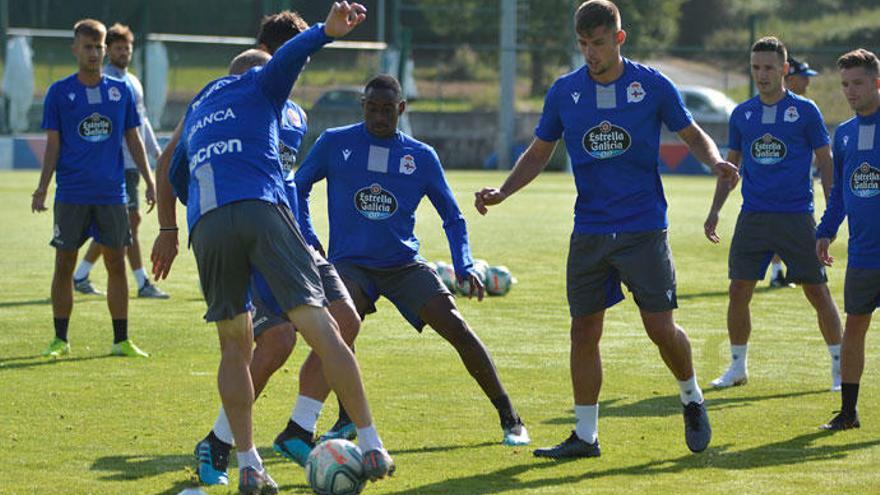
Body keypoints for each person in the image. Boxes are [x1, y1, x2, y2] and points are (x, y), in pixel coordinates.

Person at [475, 0, 737, 458]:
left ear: (619, 38)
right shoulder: (564, 92)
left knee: (660, 329)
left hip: (643, 228)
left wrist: (714, 160)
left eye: (598, 43)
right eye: (582, 44)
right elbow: (539, 152)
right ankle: (586, 435)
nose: (590, 53)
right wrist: (503, 191)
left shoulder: (651, 85)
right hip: (590, 230)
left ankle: (691, 397)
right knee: (584, 331)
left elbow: (692, 133)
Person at [150, 4, 394, 493]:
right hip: (262, 214)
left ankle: (256, 457)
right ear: (268, 63)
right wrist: (328, 31)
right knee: (309, 330)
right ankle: (369, 442)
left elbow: (175, 172)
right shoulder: (262, 83)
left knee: (250, 343)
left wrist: (174, 229)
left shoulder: (201, 106)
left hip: (217, 226)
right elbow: (291, 56)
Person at [293, 73, 531, 454]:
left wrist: (464, 264)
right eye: (372, 108)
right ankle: (345, 420)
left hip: (403, 264)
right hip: (350, 263)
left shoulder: (420, 157)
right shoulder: (335, 143)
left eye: (388, 109)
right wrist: (307, 236)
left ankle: (510, 417)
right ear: (363, 106)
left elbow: (453, 216)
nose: (380, 116)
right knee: (340, 329)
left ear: (401, 109)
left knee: (457, 327)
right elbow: (297, 185)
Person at [704, 37, 843, 391]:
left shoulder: (806, 111)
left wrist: (831, 209)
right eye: (755, 68)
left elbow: (825, 161)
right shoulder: (742, 114)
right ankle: (737, 367)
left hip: (797, 217)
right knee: (738, 290)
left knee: (817, 292)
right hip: (753, 217)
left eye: (768, 68)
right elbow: (730, 168)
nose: (761, 75)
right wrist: (715, 210)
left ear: (783, 70)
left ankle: (841, 368)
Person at [32, 18, 155, 359]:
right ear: (75, 49)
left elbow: (134, 138)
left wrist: (149, 179)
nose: (94, 53)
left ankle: (121, 340)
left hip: (111, 194)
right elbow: (53, 145)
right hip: (71, 193)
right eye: (88, 46)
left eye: (99, 47)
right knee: (64, 265)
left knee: (116, 265)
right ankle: (60, 339)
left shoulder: (122, 91)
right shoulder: (59, 92)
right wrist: (42, 187)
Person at [71, 23, 168, 299]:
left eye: (127, 47)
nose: (123, 52)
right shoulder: (106, 82)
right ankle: (142, 282)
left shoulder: (133, 82)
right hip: (116, 164)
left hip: (131, 165)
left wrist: (157, 153)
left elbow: (142, 122)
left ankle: (80, 274)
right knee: (127, 224)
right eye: (117, 48)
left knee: (124, 224)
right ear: (107, 51)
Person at [816, 48, 880, 430]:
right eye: (845, 85)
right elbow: (840, 191)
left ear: (876, 82)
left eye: (858, 83)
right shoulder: (845, 134)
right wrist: (826, 229)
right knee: (855, 326)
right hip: (863, 254)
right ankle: (848, 412)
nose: (850, 91)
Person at [766, 55, 822, 288]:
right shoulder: (772, 107)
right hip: (779, 187)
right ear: (789, 78)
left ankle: (782, 272)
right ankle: (779, 272)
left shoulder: (805, 108)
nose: (807, 82)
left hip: (800, 185)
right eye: (803, 77)